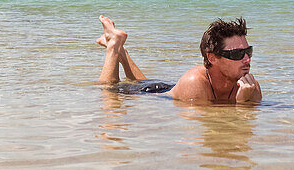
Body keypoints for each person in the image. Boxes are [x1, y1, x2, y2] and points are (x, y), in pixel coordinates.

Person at [96, 16, 262, 104]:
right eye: (237, 54)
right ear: (212, 58)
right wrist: (241, 105)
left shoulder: (250, 86)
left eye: (248, 51)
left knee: (142, 81)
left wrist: (244, 101)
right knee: (108, 91)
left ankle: (121, 51)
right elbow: (220, 127)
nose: (247, 59)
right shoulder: (195, 85)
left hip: (168, 87)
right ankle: (113, 45)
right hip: (153, 95)